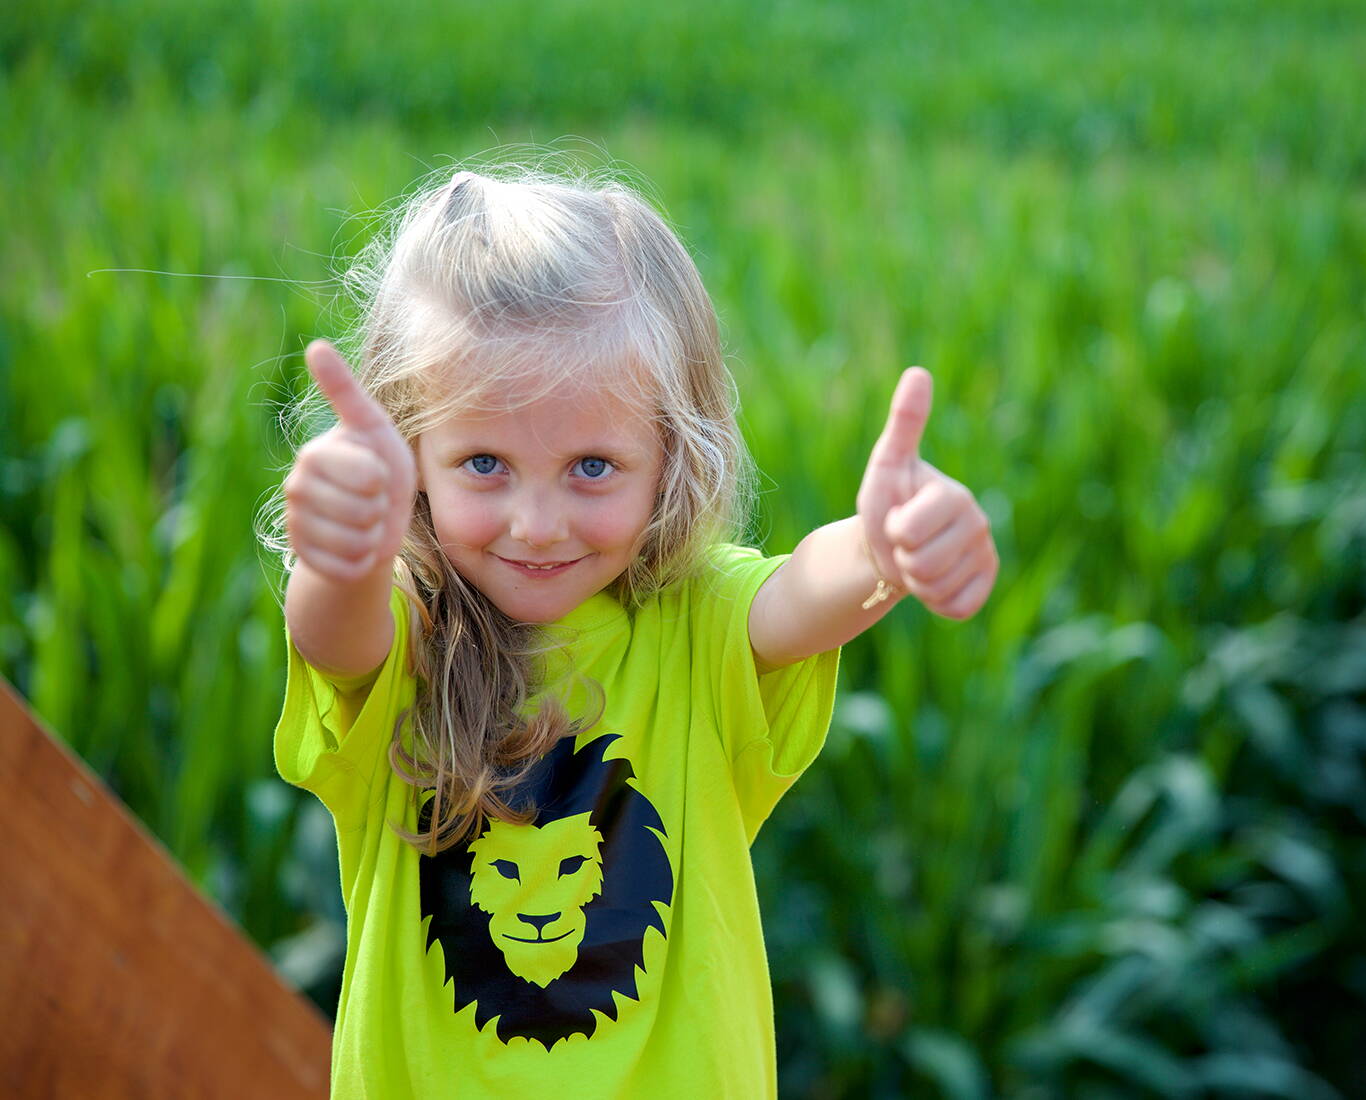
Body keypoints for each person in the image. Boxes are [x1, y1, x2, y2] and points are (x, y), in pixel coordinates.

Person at [268, 163, 999, 1097]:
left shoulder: (696, 621)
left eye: (593, 467)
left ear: (672, 455)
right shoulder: (408, 630)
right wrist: (341, 557)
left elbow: (800, 598)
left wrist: (884, 549)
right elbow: (335, 638)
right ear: (412, 455)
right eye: (484, 462)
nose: (537, 522)